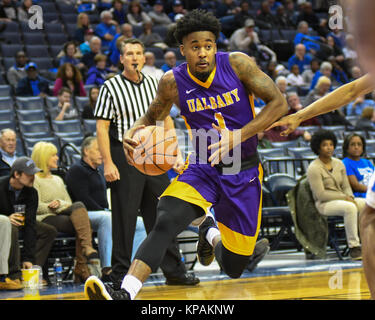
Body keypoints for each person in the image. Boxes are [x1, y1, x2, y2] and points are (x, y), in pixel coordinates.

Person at [85, 9, 286, 300]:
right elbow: (154, 115)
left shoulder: (238, 64)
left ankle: (209, 231)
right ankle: (125, 293)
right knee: (165, 219)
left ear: (215, 46)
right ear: (183, 50)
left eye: (208, 46)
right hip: (203, 166)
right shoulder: (172, 82)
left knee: (233, 267)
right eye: (195, 47)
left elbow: (278, 105)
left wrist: (239, 135)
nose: (203, 53)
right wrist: (134, 129)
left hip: (241, 169)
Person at [91, 37, 200, 288]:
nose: (134, 57)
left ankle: (174, 271)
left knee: (164, 214)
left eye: (138, 53)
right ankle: (120, 274)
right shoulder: (111, 86)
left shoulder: (155, 84)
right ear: (121, 59)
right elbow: (101, 127)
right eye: (129, 53)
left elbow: (166, 120)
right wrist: (108, 163)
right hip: (125, 153)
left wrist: (174, 153)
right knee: (124, 218)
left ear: (144, 57)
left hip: (155, 155)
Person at [31, 142, 101, 283]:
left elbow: (68, 203)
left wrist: (59, 203)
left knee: (80, 216)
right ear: (43, 157)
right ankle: (82, 265)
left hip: (61, 216)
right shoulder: (35, 179)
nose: (57, 158)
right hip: (44, 218)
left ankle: (82, 263)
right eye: (53, 155)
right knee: (83, 225)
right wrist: (55, 207)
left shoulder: (58, 179)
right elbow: (36, 207)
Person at [307, 130, 365, 260]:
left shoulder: (339, 164)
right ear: (318, 147)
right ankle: (354, 247)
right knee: (350, 208)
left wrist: (351, 197)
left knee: (367, 204)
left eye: (331, 144)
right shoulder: (314, 168)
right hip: (324, 204)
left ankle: (368, 242)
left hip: (344, 199)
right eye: (325, 145)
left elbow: (346, 186)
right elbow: (321, 195)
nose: (329, 148)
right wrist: (344, 198)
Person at [0, 157, 57, 287]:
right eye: (29, 174)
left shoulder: (32, 192)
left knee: (49, 231)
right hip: (2, 225)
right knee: (11, 226)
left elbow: (30, 224)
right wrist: (6, 218)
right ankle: (13, 275)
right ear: (16, 174)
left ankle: (30, 269)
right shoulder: (1, 186)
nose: (33, 177)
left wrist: (28, 258)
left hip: (22, 223)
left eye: (34, 174)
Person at [65, 136, 113, 280]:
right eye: (98, 150)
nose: (102, 154)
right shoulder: (76, 170)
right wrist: (105, 211)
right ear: (86, 151)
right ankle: (107, 269)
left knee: (140, 224)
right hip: (84, 216)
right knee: (107, 218)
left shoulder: (99, 171)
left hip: (102, 214)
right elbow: (83, 199)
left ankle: (129, 269)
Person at [342, 133, 374, 198]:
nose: (356, 147)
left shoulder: (367, 162)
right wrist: (372, 190)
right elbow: (356, 186)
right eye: (353, 144)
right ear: (347, 148)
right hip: (361, 197)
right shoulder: (345, 163)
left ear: (363, 148)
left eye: (359, 144)